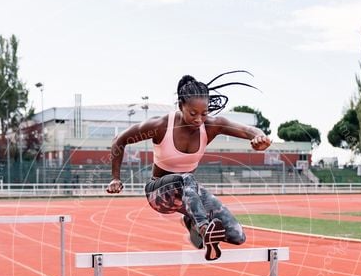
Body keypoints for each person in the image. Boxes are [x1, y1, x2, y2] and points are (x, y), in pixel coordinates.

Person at [106, 71, 271, 260]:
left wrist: (260, 138)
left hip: (189, 195)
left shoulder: (211, 126)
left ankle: (193, 223)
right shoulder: (160, 126)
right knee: (186, 179)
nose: (199, 119)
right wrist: (116, 178)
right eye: (193, 113)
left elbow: (249, 130)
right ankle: (202, 228)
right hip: (159, 193)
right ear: (180, 106)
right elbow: (120, 140)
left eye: (204, 113)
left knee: (236, 235)